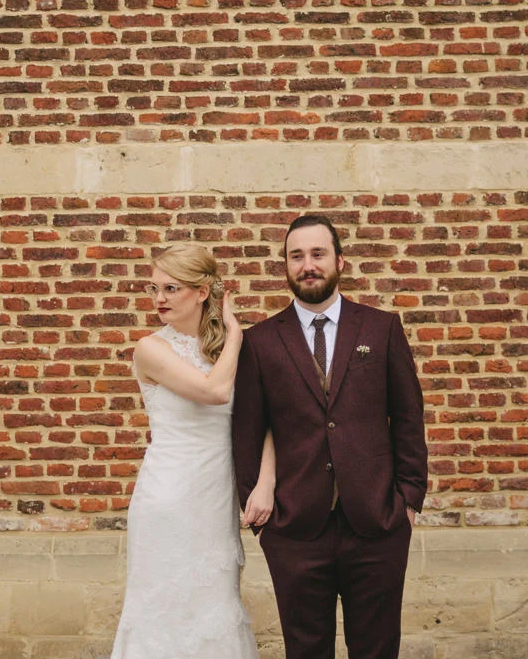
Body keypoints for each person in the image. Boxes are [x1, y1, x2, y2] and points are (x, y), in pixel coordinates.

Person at [231, 214, 429, 659]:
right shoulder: (260, 342)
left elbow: (408, 418)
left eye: (318, 254)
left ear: (340, 261)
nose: (308, 265)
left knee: (377, 650)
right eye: (296, 256)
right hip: (295, 531)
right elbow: (246, 432)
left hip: (377, 524)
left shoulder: (381, 328)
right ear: (285, 266)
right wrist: (267, 525)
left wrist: (408, 502)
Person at [110, 243, 266, 659]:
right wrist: (236, 335)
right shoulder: (150, 349)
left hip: (215, 498)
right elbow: (214, 391)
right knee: (163, 609)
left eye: (171, 288)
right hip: (168, 497)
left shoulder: (223, 349)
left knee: (213, 606)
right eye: (154, 288)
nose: (159, 298)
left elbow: (264, 417)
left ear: (201, 292)